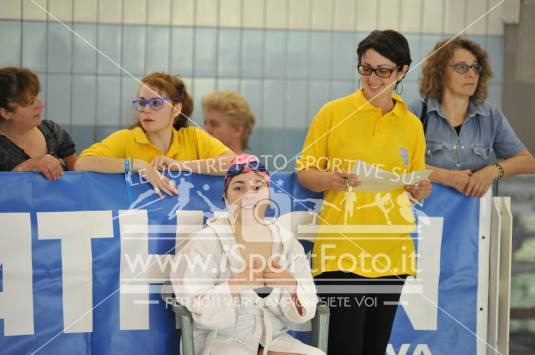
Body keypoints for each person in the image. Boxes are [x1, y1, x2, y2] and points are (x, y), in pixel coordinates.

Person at [295, 30, 432, 355]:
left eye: (383, 70)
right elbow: (305, 172)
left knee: (373, 349)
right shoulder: (333, 113)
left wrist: (418, 188)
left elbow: (414, 187)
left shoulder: (411, 125)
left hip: (392, 254)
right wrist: (331, 179)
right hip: (341, 250)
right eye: (366, 68)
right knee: (344, 348)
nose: (372, 78)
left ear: (402, 71)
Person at [171, 154, 324, 355]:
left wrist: (292, 285)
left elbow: (307, 309)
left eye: (257, 187)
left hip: (274, 339)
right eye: (238, 187)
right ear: (226, 198)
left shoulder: (286, 243)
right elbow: (194, 302)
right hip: (221, 342)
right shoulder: (205, 242)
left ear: (269, 195)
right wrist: (234, 285)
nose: (248, 195)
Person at [410, 37, 535, 196]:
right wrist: (447, 177)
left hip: (476, 217)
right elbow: (399, 165)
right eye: (462, 67)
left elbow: (528, 161)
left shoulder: (491, 116)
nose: (471, 74)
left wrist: (492, 171)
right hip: (427, 217)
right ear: (440, 71)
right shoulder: (417, 113)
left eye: (475, 67)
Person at [74, 72, 236, 196]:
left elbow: (235, 164)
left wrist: (179, 166)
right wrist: (137, 165)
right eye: (142, 102)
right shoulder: (126, 138)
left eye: (156, 103)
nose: (146, 109)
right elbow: (81, 164)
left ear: (176, 109)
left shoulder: (193, 137)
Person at [0, 67, 76, 179]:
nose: (41, 105)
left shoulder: (53, 132)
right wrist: (26, 167)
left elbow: (79, 174)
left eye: (36, 98)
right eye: (30, 103)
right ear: (5, 112)